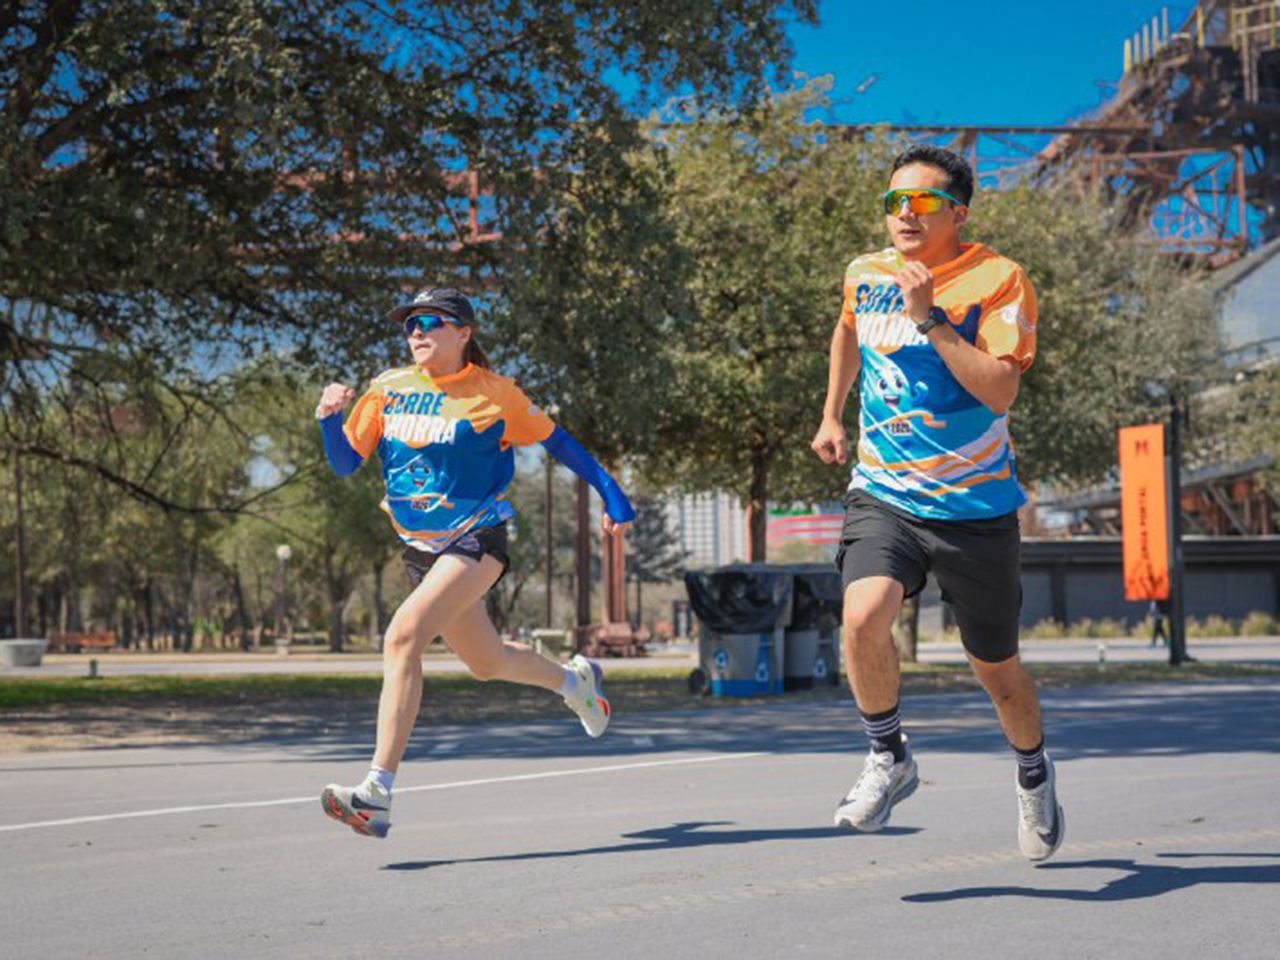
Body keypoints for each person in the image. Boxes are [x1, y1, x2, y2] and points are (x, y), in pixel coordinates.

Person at [810, 145, 1064, 861]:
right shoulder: (866, 273)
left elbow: (1002, 390)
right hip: (884, 494)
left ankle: (1034, 774)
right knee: (862, 614)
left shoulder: (999, 279)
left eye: (921, 203)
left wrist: (933, 320)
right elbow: (849, 329)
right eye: (894, 202)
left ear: (958, 212)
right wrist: (831, 414)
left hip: (976, 511)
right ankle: (888, 756)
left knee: (999, 675)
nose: (904, 215)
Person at [316, 287, 635, 838]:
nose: (417, 332)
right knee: (486, 663)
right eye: (409, 324)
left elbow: (561, 446)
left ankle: (376, 792)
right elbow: (346, 463)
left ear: (463, 332)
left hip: (475, 541)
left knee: (401, 639)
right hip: (421, 551)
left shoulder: (495, 394)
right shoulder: (388, 389)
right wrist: (327, 417)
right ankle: (574, 684)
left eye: (431, 322)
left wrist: (611, 492)